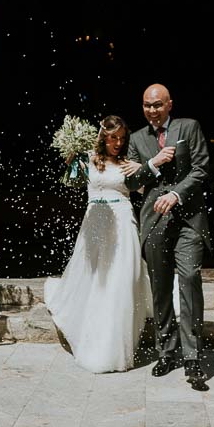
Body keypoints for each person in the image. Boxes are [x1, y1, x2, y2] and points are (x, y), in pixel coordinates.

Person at [44, 116, 151, 373]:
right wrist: (71, 162)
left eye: (122, 138)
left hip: (123, 222)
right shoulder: (89, 158)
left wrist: (142, 170)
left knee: (120, 280)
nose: (118, 143)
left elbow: (146, 191)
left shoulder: (127, 164)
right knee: (95, 279)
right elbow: (71, 183)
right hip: (94, 223)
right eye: (113, 138)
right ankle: (93, 334)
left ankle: (113, 346)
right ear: (103, 137)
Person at [126, 84, 211, 391]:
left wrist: (176, 193)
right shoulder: (136, 139)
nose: (153, 110)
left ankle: (192, 357)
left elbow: (200, 169)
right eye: (147, 105)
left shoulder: (189, 127)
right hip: (154, 220)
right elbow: (132, 180)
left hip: (188, 219)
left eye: (158, 104)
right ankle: (167, 351)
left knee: (189, 278)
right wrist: (155, 162)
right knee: (160, 288)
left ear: (170, 104)